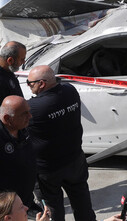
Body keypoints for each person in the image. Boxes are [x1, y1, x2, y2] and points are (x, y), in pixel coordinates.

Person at [27, 66, 96, 221]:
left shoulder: (34, 108)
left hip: (48, 170)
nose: (29, 86)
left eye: (30, 83)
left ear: (42, 83)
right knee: (82, 200)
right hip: (74, 160)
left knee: (52, 208)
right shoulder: (70, 91)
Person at [0, 97, 37, 210]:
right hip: (8, 208)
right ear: (8, 119)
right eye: (24, 114)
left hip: (25, 201)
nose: (30, 116)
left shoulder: (22, 129)